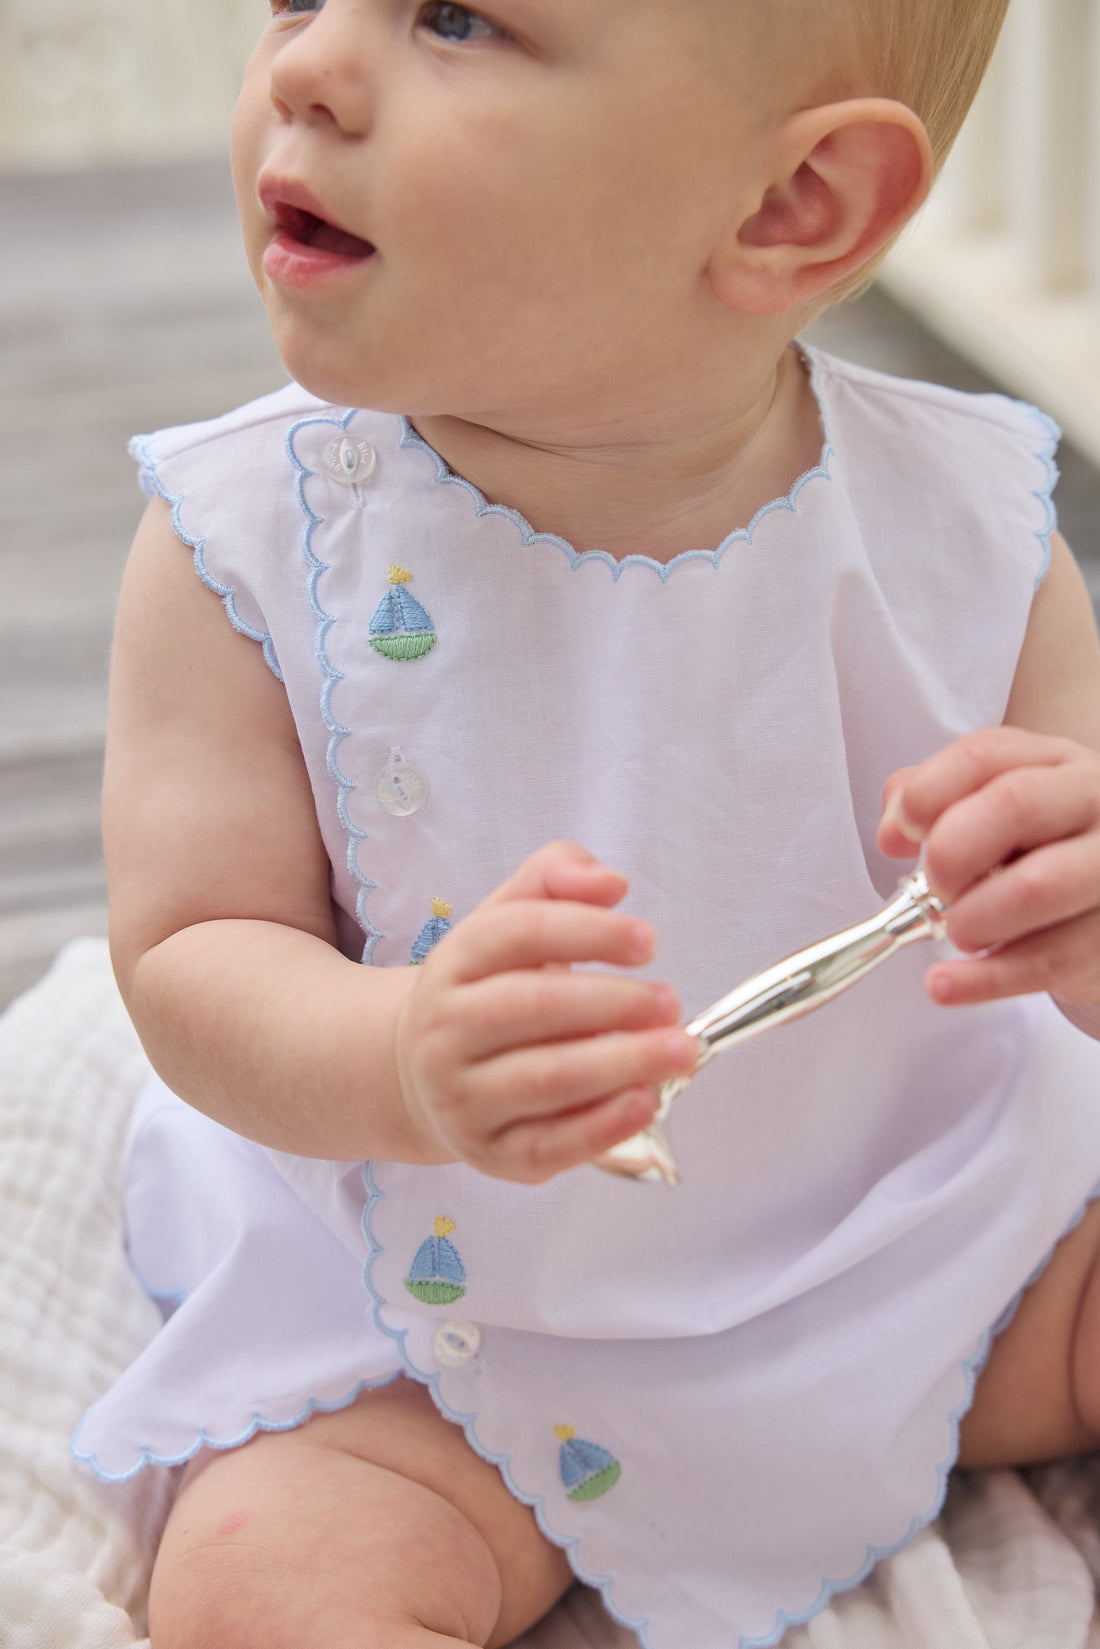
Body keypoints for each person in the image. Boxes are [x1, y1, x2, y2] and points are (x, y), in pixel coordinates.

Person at [71, 0, 1100, 1645]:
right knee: (271, 1580)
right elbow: (198, 949)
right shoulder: (258, 543)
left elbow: (1073, 902)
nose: (309, 66)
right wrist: (401, 1051)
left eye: (456, 20)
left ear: (791, 207)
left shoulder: (963, 522)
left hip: (935, 1245)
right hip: (457, 1335)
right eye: (299, 0)